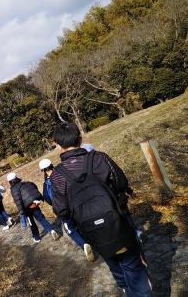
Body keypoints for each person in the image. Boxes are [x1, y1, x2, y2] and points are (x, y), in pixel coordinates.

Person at [51, 121, 151, 296]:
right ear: (80, 139)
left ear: (57, 146)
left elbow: (62, 211)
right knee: (133, 266)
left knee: (113, 261)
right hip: (118, 223)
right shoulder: (100, 158)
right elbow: (121, 183)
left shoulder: (57, 175)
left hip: (92, 230)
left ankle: (125, 287)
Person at [39, 158, 94, 261]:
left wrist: (55, 205)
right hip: (75, 203)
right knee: (80, 223)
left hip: (62, 209)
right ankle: (92, 240)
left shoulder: (47, 183)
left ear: (43, 170)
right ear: (51, 165)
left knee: (70, 229)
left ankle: (84, 244)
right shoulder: (62, 173)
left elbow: (47, 198)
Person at [7, 172, 60, 243]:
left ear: (10, 182)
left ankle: (36, 237)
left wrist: (22, 212)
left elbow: (18, 202)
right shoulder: (25, 183)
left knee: (31, 223)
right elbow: (34, 187)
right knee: (41, 219)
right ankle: (51, 230)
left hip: (26, 208)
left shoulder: (13, 189)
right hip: (34, 203)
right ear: (16, 178)